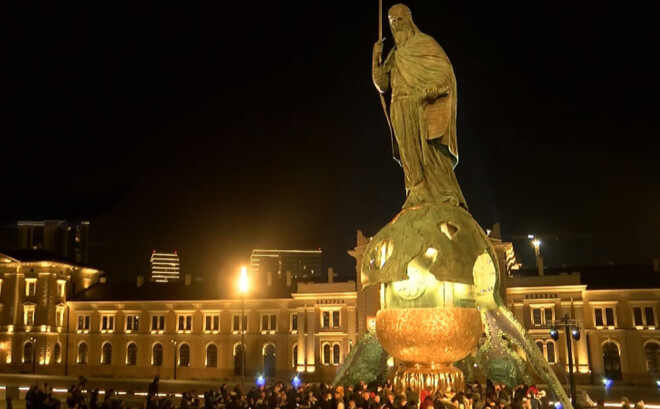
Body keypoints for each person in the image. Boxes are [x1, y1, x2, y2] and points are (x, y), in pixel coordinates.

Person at [372, 4, 467, 210]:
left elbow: (445, 73)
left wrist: (433, 87)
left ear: (409, 19)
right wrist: (375, 58)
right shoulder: (395, 54)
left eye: (399, 19)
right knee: (409, 155)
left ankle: (444, 193)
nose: (396, 25)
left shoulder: (425, 44)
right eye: (392, 22)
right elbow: (382, 85)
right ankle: (415, 192)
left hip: (422, 106)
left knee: (431, 153)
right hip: (399, 107)